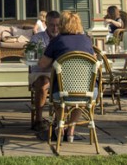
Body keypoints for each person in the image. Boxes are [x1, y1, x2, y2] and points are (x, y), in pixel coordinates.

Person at [37, 11, 95, 142]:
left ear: (62, 24)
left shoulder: (57, 41)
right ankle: (71, 129)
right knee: (79, 101)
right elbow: (94, 61)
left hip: (63, 91)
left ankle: (61, 125)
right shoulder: (87, 41)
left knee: (57, 96)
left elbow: (42, 64)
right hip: (88, 91)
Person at [29, 10, 60, 130]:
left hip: (58, 73)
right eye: (52, 25)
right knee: (43, 83)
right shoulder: (37, 38)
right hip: (40, 72)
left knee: (63, 83)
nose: (55, 28)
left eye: (58, 25)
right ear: (46, 24)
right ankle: (39, 119)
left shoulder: (62, 39)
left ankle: (60, 120)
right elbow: (31, 59)